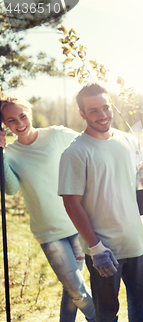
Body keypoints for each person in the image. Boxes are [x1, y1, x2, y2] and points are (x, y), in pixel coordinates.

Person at [58, 83, 143, 321]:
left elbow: (140, 182)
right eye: (93, 111)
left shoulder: (129, 141)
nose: (102, 115)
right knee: (107, 314)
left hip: (137, 244)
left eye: (106, 107)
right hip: (104, 250)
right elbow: (71, 204)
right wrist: (95, 247)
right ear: (82, 114)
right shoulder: (75, 152)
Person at [0, 95, 96, 322]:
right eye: (11, 120)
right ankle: (104, 318)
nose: (19, 123)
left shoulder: (56, 135)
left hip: (77, 223)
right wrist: (0, 152)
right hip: (49, 232)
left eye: (22, 116)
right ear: (5, 125)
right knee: (78, 292)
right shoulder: (10, 153)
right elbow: (11, 189)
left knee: (72, 289)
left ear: (30, 114)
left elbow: (90, 145)